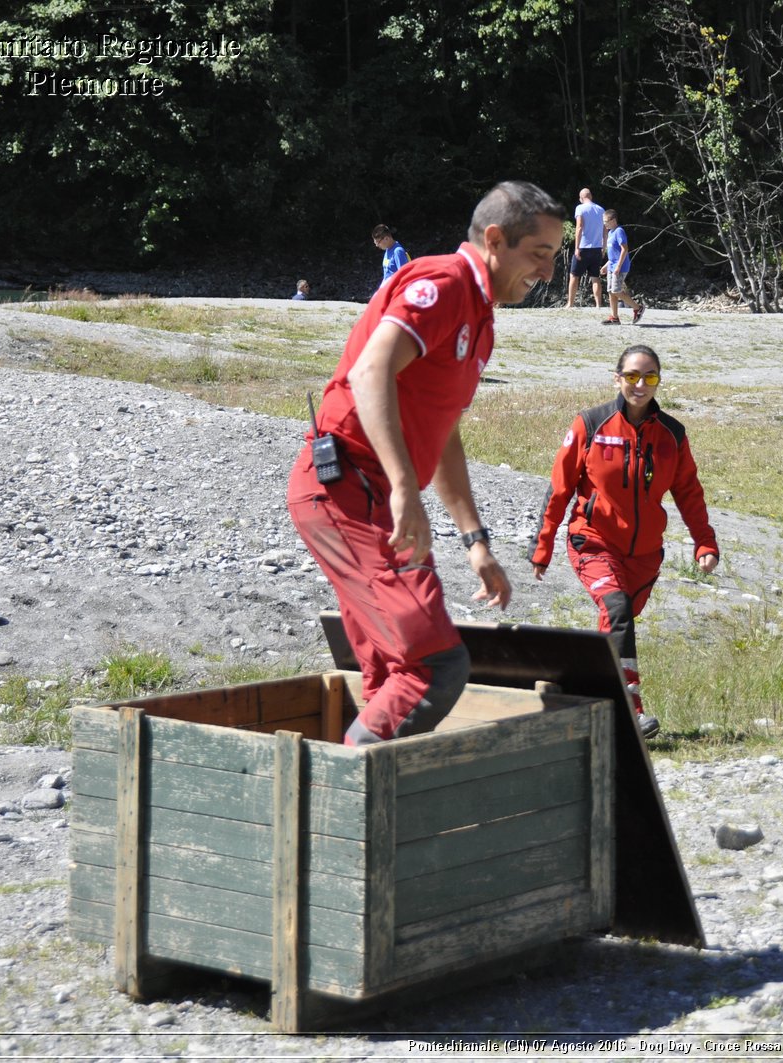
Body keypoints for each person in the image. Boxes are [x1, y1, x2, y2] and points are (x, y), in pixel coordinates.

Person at [290, 181, 563, 745]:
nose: (550, 273)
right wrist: (404, 492)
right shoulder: (441, 284)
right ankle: (344, 802)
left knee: (395, 672)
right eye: (540, 254)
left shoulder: (481, 316)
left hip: (363, 494)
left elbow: (443, 436)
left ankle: (365, 809)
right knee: (435, 668)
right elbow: (371, 372)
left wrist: (475, 541)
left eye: (555, 257)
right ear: (494, 239)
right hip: (346, 488)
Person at [528, 344, 719, 739]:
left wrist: (705, 543)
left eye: (649, 377)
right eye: (632, 376)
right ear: (617, 378)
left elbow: (689, 493)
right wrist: (542, 547)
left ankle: (579, 699)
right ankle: (629, 713)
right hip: (592, 542)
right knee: (616, 611)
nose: (640, 384)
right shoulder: (590, 424)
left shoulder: (672, 434)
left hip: (645, 555)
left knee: (617, 625)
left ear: (658, 381)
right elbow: (559, 490)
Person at [565, 188, 607, 309]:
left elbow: (579, 227)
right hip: (597, 248)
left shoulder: (580, 208)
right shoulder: (601, 210)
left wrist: (577, 247)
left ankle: (570, 303)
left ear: (581, 198)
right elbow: (605, 230)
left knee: (574, 276)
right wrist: (603, 247)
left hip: (583, 247)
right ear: (591, 197)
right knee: (595, 277)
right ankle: (598, 305)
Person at [602, 207, 644, 325]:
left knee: (616, 290)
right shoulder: (610, 233)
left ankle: (637, 308)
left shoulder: (619, 231)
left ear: (613, 220)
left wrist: (618, 266)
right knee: (611, 291)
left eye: (606, 221)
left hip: (620, 267)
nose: (604, 224)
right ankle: (614, 317)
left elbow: (624, 249)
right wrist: (606, 265)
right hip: (612, 266)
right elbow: (613, 254)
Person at [372, 224, 409, 290]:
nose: (377, 245)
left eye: (378, 242)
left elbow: (404, 276)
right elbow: (387, 274)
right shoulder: (388, 249)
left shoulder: (398, 251)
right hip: (387, 289)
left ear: (386, 238)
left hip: (394, 291)